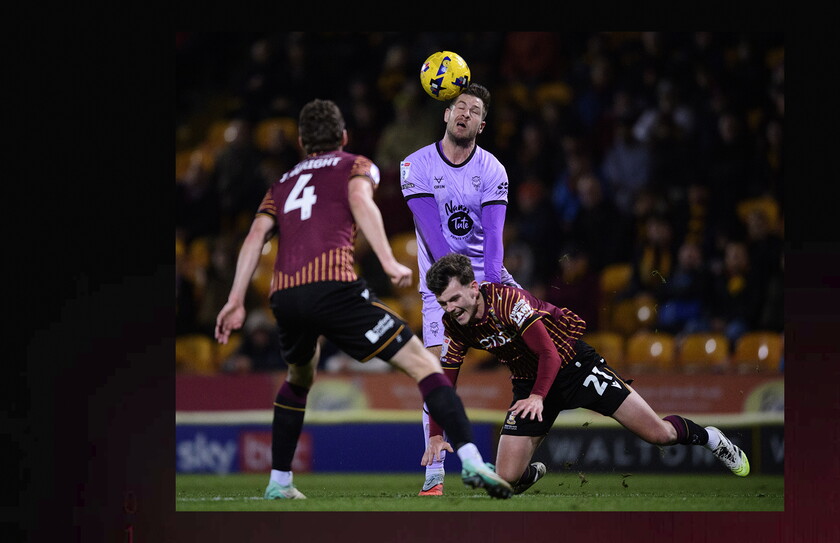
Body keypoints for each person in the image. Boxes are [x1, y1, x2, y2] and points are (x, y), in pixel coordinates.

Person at [214, 98, 513, 500]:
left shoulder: (281, 183)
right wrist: (389, 260)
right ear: (343, 137)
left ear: (303, 141)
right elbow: (360, 201)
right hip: (334, 289)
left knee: (299, 377)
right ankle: (474, 460)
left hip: (284, 295)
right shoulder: (354, 165)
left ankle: (279, 482)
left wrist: (235, 300)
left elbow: (254, 238)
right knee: (425, 363)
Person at [421, 253, 750, 494]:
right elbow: (443, 384)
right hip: (528, 384)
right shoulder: (455, 324)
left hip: (573, 366)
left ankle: (711, 438)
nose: (450, 309)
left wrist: (538, 396)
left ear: (474, 287)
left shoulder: (509, 302)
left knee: (659, 435)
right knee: (506, 479)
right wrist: (436, 434)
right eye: (443, 303)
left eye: (454, 299)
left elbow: (548, 352)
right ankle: (529, 473)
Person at [400, 83, 520, 496]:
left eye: (474, 110)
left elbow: (494, 236)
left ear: (481, 125)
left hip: (487, 277)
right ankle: (435, 473)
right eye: (459, 107)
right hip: (441, 285)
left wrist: (489, 288)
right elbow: (434, 238)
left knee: (548, 345)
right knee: (437, 370)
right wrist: (459, 288)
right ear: (446, 115)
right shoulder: (414, 166)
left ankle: (525, 460)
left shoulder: (493, 169)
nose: (465, 113)